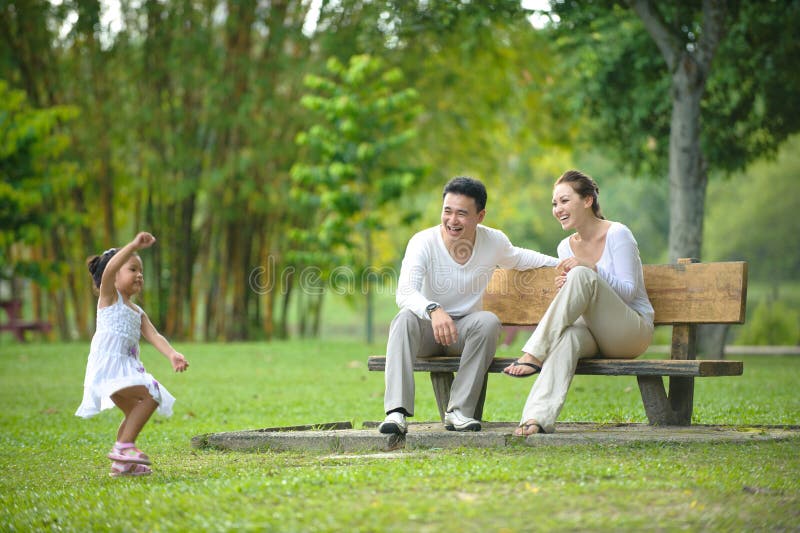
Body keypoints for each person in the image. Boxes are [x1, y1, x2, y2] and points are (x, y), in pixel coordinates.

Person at [379, 177, 558, 435]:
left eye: (462, 213)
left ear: (480, 216)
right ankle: (396, 413)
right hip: (427, 331)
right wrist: (433, 310)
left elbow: (520, 258)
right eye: (447, 211)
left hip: (463, 332)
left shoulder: (493, 241)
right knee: (404, 319)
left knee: (488, 321)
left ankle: (459, 412)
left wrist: (566, 261)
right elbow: (405, 291)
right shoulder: (423, 242)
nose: (452, 220)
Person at [503, 170, 654, 435]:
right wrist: (569, 286)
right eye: (554, 203)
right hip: (593, 333)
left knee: (582, 274)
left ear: (587, 200)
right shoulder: (565, 247)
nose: (557, 209)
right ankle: (536, 419)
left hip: (632, 331)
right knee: (568, 338)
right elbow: (582, 295)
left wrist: (590, 270)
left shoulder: (618, 234)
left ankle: (535, 352)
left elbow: (629, 293)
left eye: (564, 201)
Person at [76, 232, 189, 477]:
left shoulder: (137, 311)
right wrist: (134, 245)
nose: (139, 274)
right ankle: (124, 447)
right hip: (109, 367)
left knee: (135, 410)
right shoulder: (109, 298)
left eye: (141, 271)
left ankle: (122, 464)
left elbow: (155, 336)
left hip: (127, 368)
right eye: (132, 269)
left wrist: (171, 354)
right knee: (150, 396)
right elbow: (110, 269)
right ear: (114, 276)